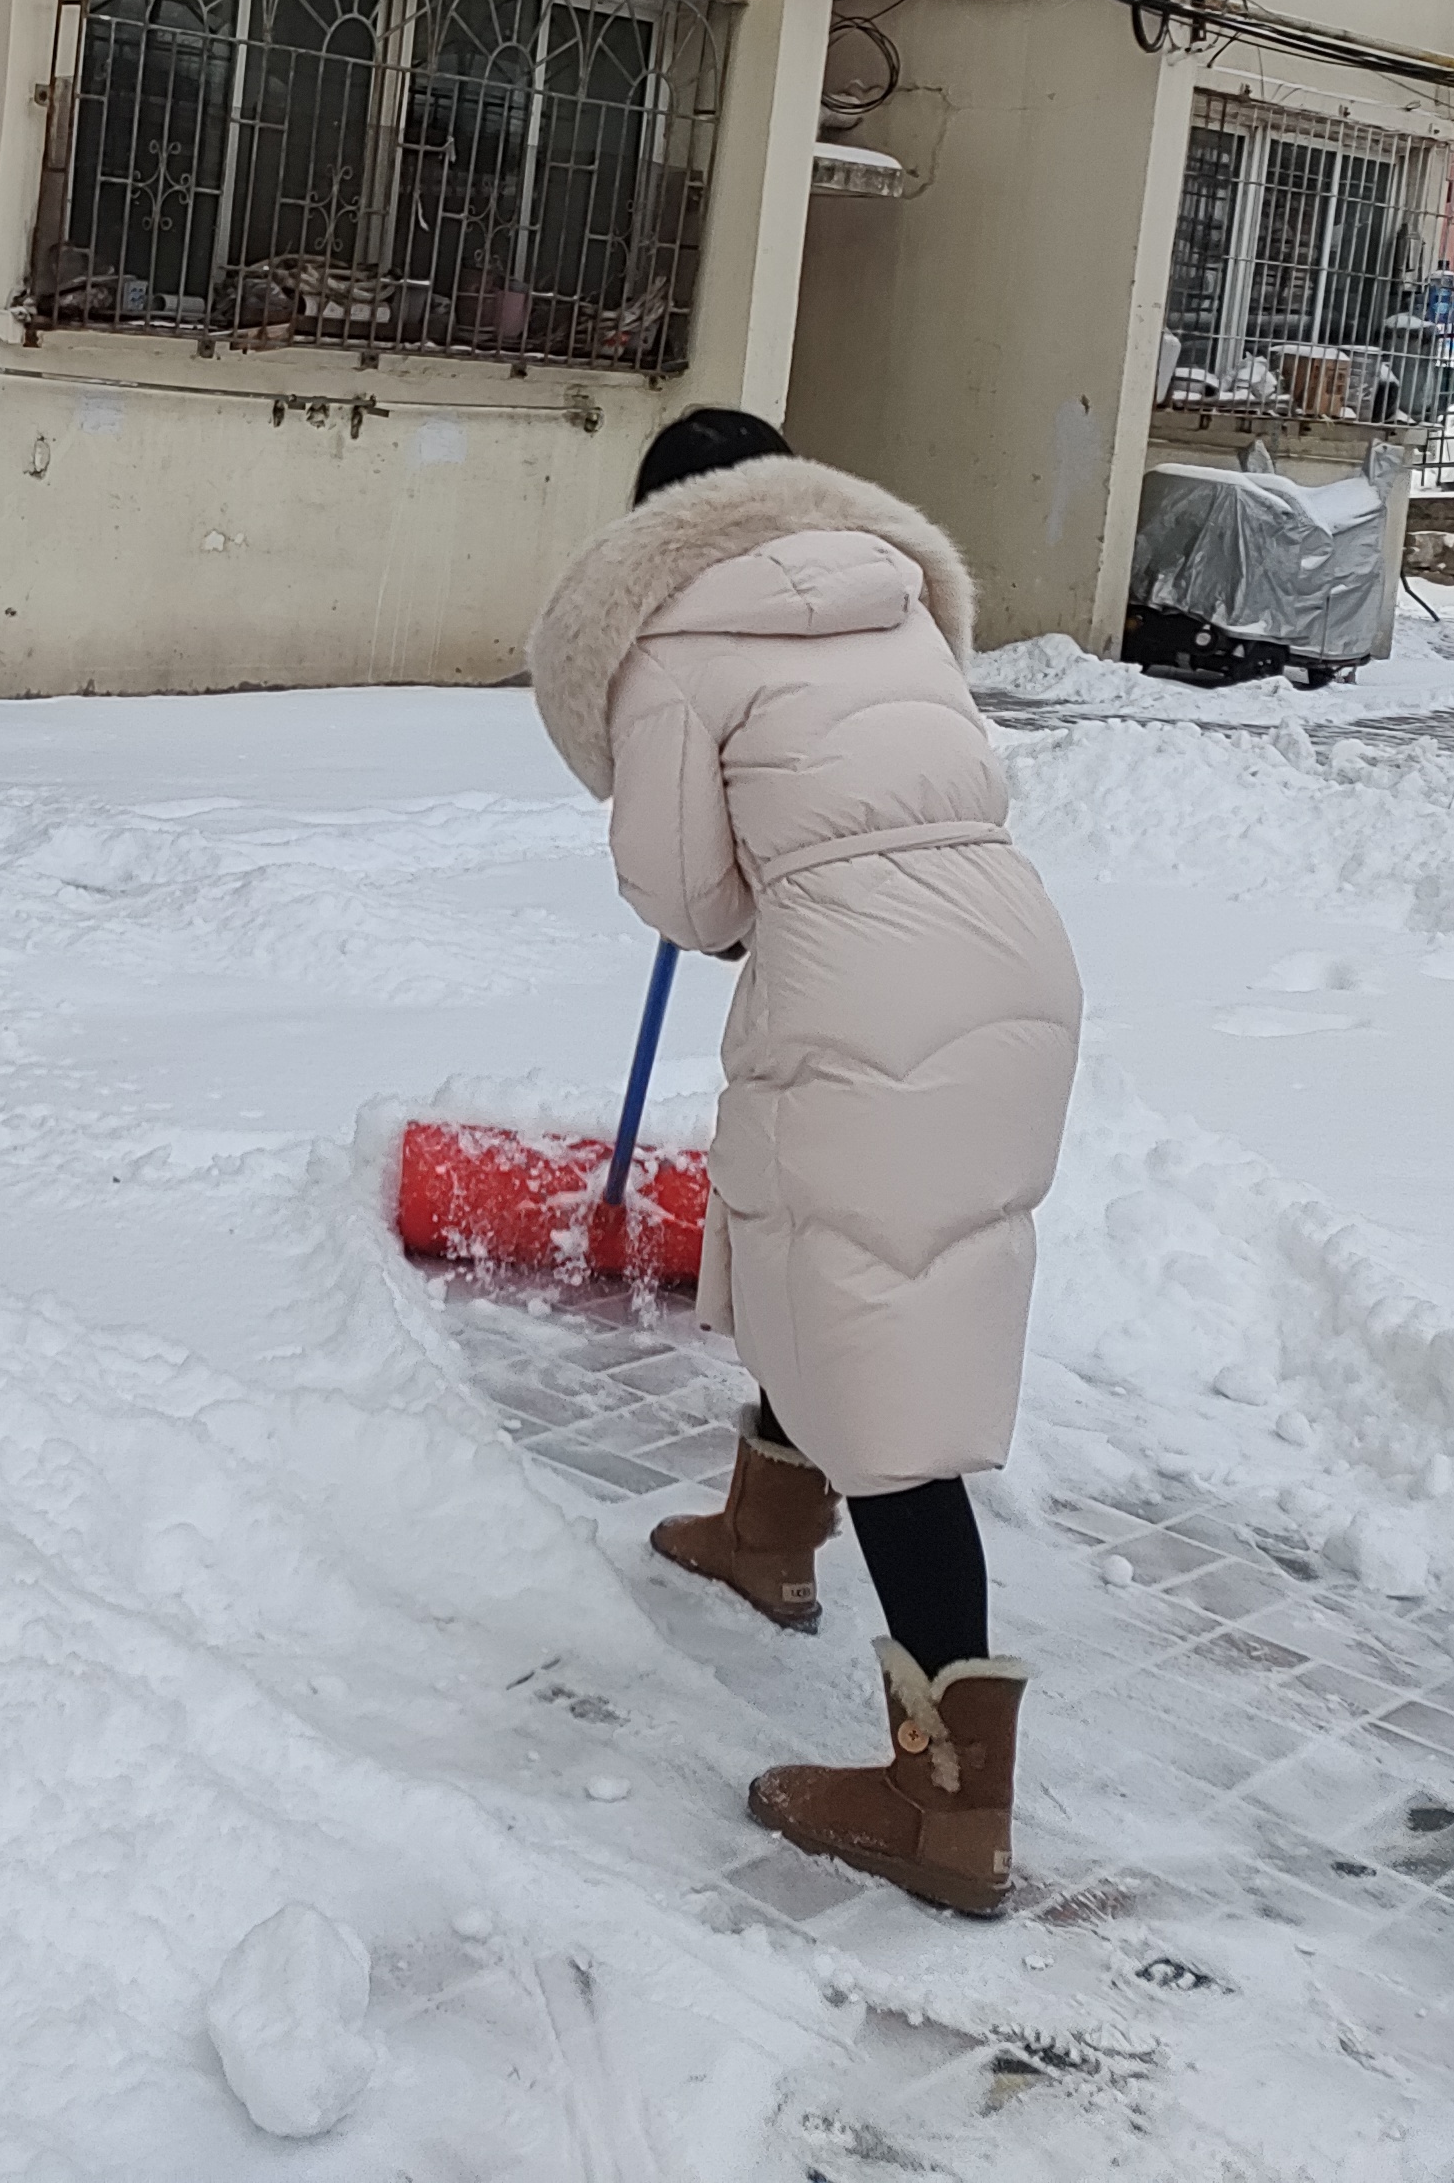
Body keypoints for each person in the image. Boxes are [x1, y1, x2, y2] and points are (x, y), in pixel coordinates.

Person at [525, 407, 1081, 1918]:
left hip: (854, 978)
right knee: (849, 1259)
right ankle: (768, 1527)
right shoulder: (891, 597)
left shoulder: (667, 641)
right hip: (1014, 955)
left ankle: (943, 1802)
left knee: (881, 1355)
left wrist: (762, 899)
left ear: (659, 527)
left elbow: (686, 893)